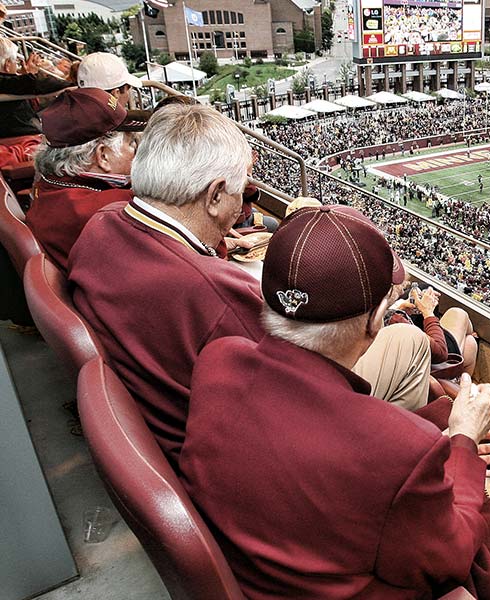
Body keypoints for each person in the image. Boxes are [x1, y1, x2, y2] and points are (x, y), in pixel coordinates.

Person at [180, 205, 490, 599]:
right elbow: (452, 558)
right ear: (376, 319)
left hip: (263, 569)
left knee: (437, 412)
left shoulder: (218, 359)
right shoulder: (396, 447)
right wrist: (464, 446)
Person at [69, 104, 430, 469]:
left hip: (161, 427)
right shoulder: (211, 291)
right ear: (214, 196)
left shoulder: (101, 223)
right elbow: (302, 374)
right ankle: (381, 461)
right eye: (244, 192)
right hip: (253, 447)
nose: (244, 203)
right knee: (410, 342)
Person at [27, 88, 149, 268]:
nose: (137, 152)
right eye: (132, 143)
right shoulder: (116, 210)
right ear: (103, 156)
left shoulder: (48, 186)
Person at [0, 38, 74, 168]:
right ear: (7, 65)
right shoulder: (9, 83)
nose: (18, 67)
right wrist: (74, 84)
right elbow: (34, 83)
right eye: (15, 62)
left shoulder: (10, 84)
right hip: (24, 143)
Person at [75, 52, 142, 107]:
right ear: (116, 94)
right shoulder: (112, 122)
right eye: (128, 87)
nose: (128, 95)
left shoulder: (70, 113)